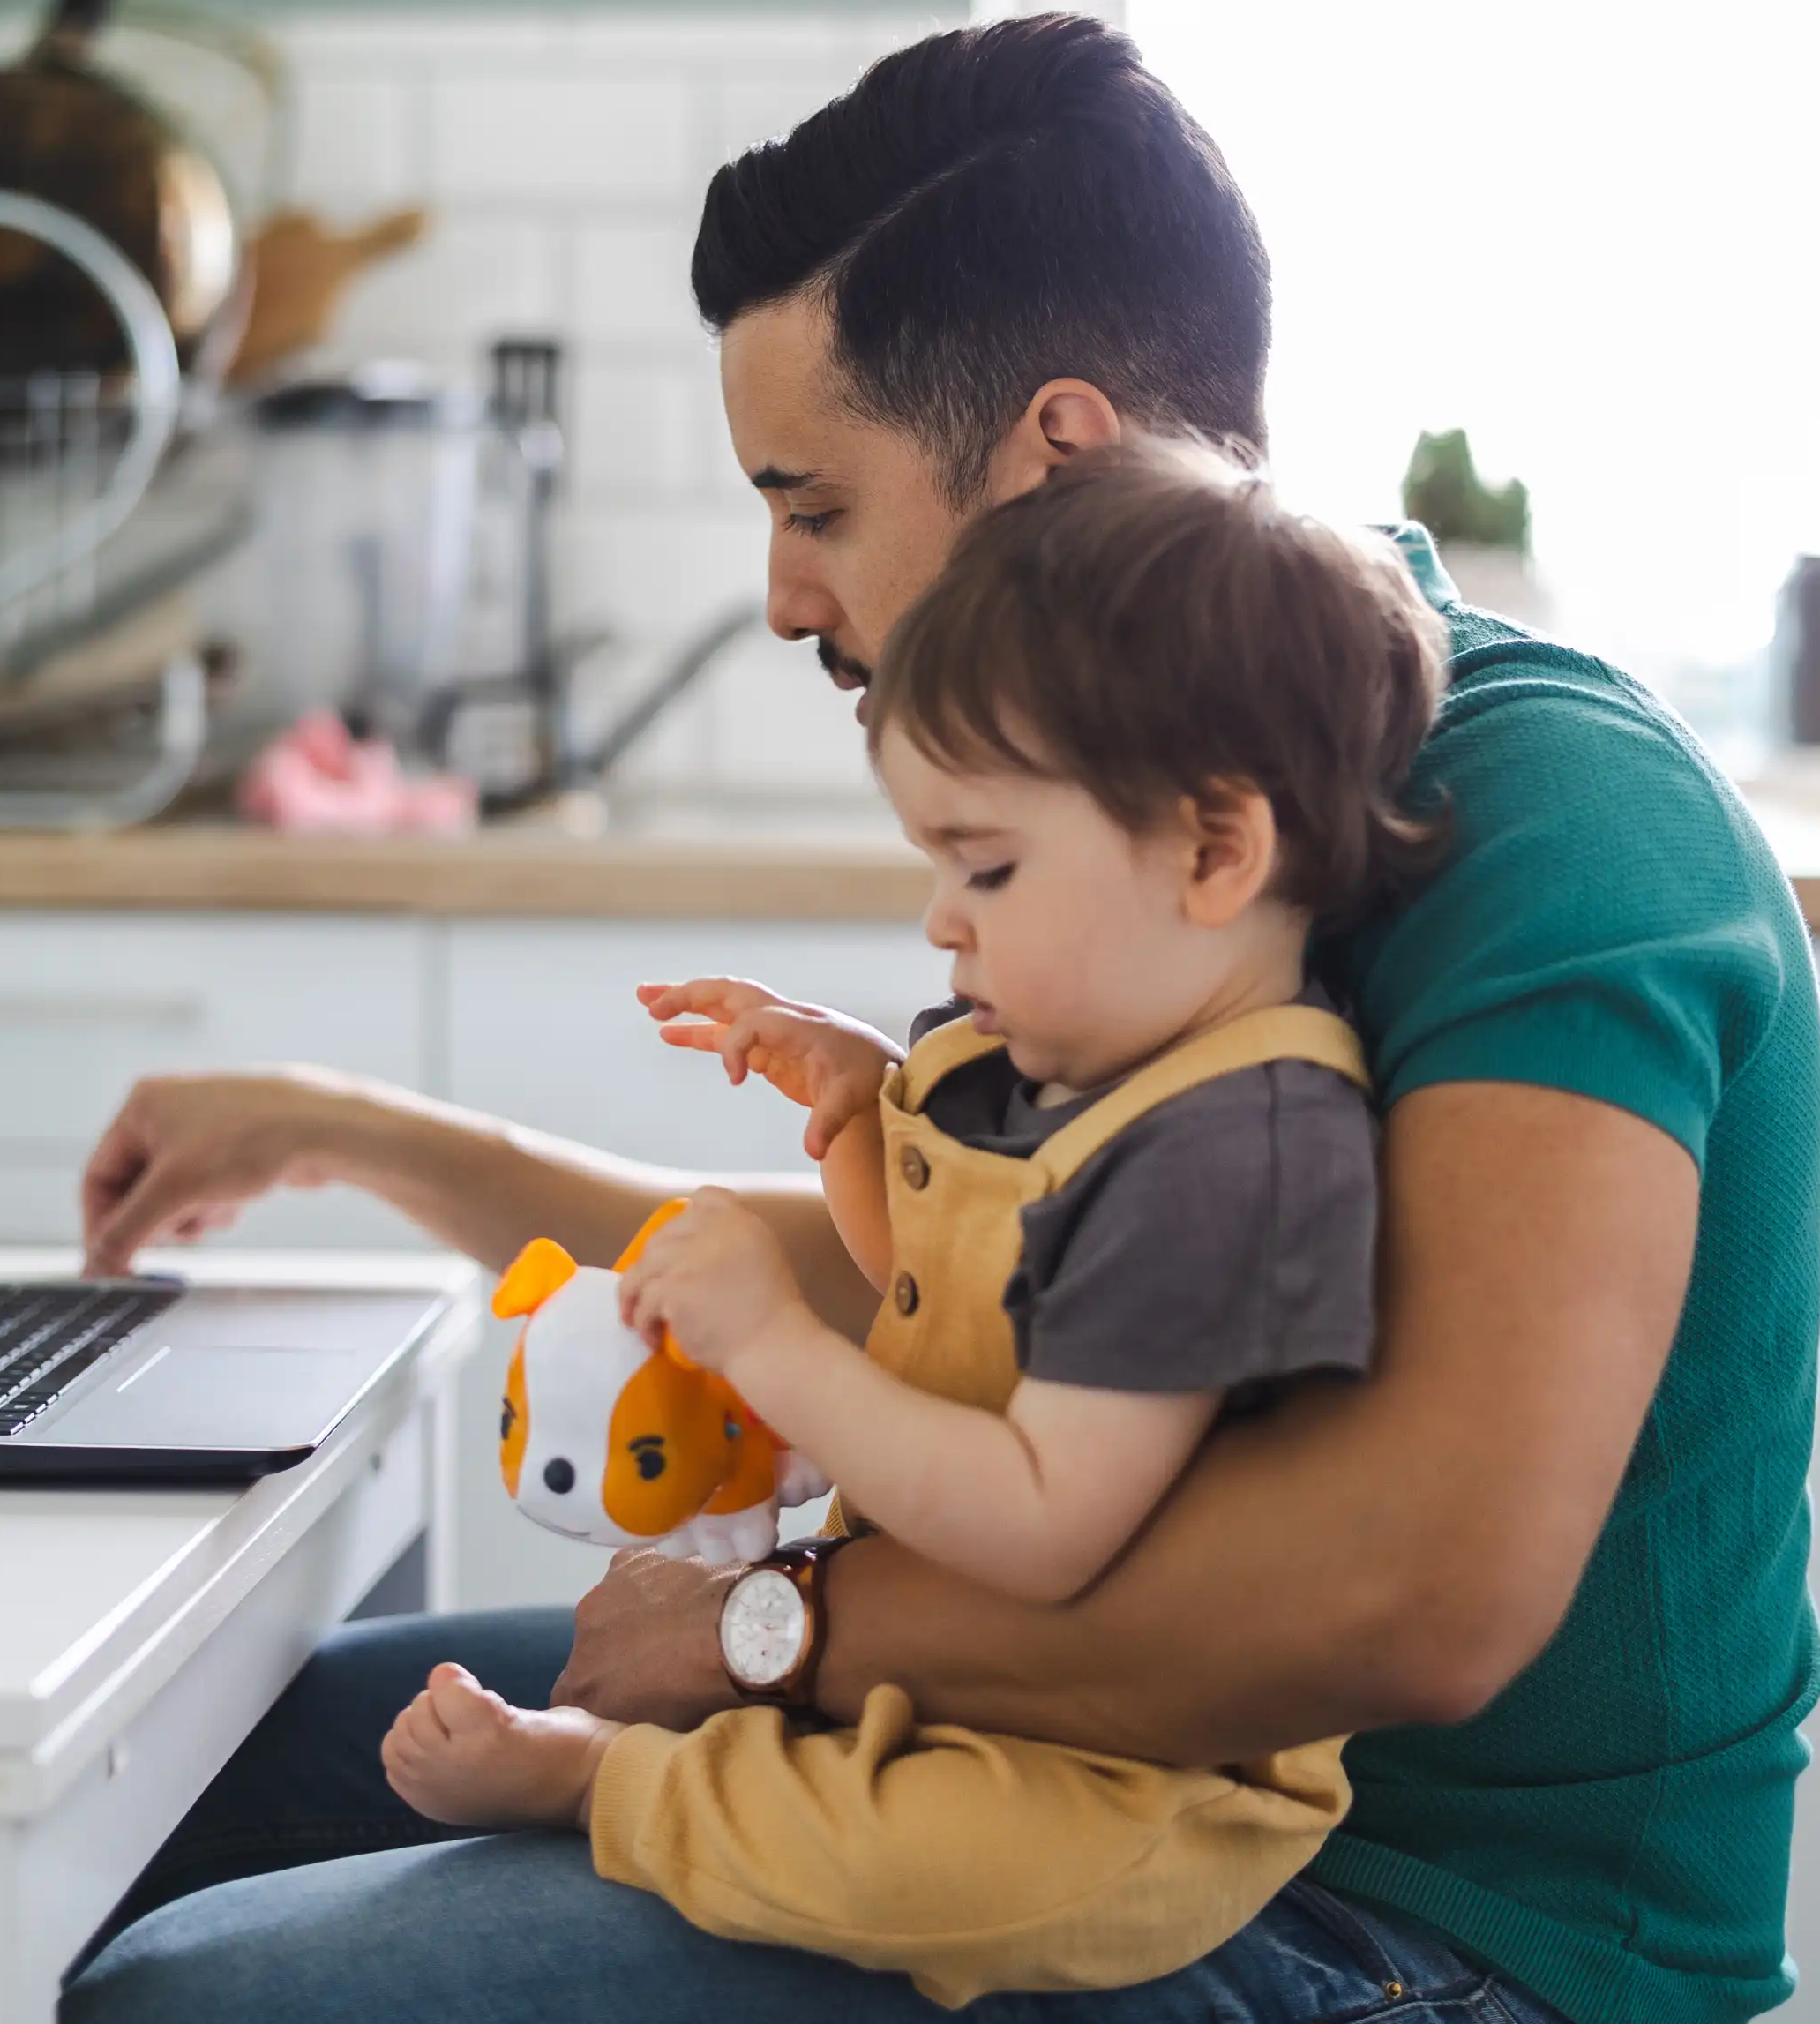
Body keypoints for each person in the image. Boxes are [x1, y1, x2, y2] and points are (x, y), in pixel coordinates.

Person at [68, 16, 1820, 2024]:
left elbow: (1412, 1597)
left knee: (214, 1998)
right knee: (193, 1782)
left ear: (1053, 459)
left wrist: (767, 1627)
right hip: (1085, 1775)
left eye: (812, 505)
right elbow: (968, 1290)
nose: (780, 596)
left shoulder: (1550, 826)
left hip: (1428, 1926)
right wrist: (360, 1139)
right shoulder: (1129, 798)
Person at [377, 442, 1445, 2005]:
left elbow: (1037, 1509)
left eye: (990, 866)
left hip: (1120, 1780)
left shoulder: (1232, 1152)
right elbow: (983, 1328)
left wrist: (772, 1346)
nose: (944, 920)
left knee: (928, 1868)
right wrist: (870, 1122)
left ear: (1216, 852)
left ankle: (603, 1783)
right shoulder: (1106, 1069)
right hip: (978, 1676)